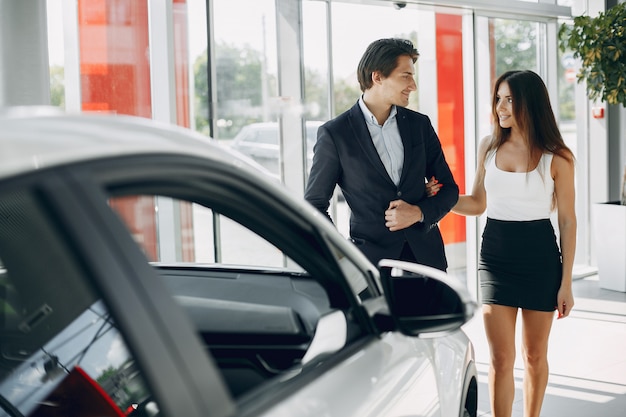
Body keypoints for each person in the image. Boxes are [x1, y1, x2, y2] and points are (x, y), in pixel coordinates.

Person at [427, 70, 576, 417]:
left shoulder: (558, 157)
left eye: (509, 99)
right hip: (495, 256)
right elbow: (478, 203)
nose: (500, 107)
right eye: (498, 98)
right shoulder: (488, 146)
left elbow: (567, 221)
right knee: (500, 357)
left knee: (535, 355)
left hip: (541, 258)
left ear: (530, 103)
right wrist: (441, 200)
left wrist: (566, 282)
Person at [304, 38, 459, 271]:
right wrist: (343, 259)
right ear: (377, 77)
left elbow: (449, 189)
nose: (413, 85)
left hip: (427, 262)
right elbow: (314, 206)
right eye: (405, 76)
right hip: (369, 266)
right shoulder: (336, 134)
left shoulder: (420, 125)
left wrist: (419, 212)